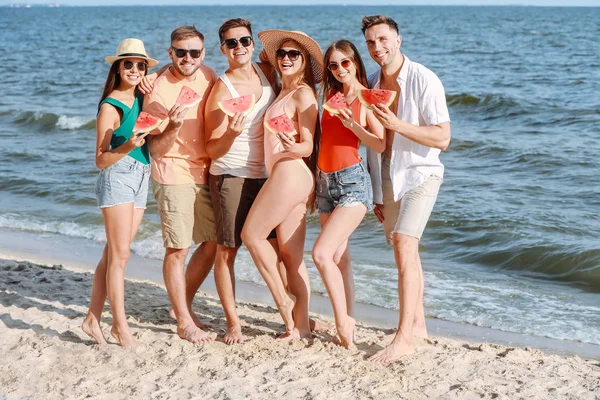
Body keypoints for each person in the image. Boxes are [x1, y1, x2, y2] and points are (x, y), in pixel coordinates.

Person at [361, 15, 451, 364]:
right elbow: (373, 142)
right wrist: (375, 194)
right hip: (386, 177)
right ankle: (419, 327)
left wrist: (399, 124)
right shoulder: (369, 82)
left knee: (404, 244)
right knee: (406, 253)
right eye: (371, 42)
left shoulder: (424, 78)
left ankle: (403, 339)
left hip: (420, 174)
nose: (377, 47)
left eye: (383, 39)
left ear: (398, 40)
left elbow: (442, 137)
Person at [241, 30, 322, 339]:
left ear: (305, 62)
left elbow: (307, 145)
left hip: (290, 171)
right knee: (291, 256)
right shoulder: (282, 90)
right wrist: (270, 59)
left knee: (251, 235)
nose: (286, 58)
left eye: (294, 55)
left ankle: (284, 301)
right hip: (288, 176)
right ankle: (299, 327)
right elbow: (264, 58)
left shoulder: (303, 94)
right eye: (282, 54)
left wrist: (292, 144)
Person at [204, 18, 279, 345]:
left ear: (253, 44)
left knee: (276, 249)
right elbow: (211, 147)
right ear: (223, 49)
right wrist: (232, 132)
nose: (239, 48)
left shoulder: (267, 73)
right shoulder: (223, 88)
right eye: (231, 43)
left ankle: (291, 313)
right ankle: (233, 323)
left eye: (244, 41)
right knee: (227, 251)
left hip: (268, 175)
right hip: (231, 175)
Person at [143, 25, 218, 344]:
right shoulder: (157, 89)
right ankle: (184, 321)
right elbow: (155, 148)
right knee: (178, 247)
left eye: (195, 52)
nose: (188, 58)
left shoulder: (210, 75)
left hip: (206, 170)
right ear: (171, 52)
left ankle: (181, 305)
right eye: (181, 52)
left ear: (204, 53)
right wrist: (172, 125)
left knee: (214, 241)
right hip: (171, 172)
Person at [82, 38, 158, 347]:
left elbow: (173, 74)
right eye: (128, 64)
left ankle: (91, 319)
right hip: (118, 176)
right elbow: (100, 160)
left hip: (142, 176)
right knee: (121, 255)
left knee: (113, 254)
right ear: (118, 67)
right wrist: (127, 146)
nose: (135, 69)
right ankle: (120, 326)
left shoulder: (142, 98)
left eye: (140, 65)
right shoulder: (110, 106)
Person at [311, 40, 385, 349]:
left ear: (355, 62)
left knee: (320, 254)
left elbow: (379, 143)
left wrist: (354, 125)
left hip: (353, 183)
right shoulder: (329, 95)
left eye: (345, 62)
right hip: (324, 183)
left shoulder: (368, 98)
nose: (340, 69)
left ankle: (343, 323)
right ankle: (349, 319)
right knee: (341, 258)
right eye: (333, 65)